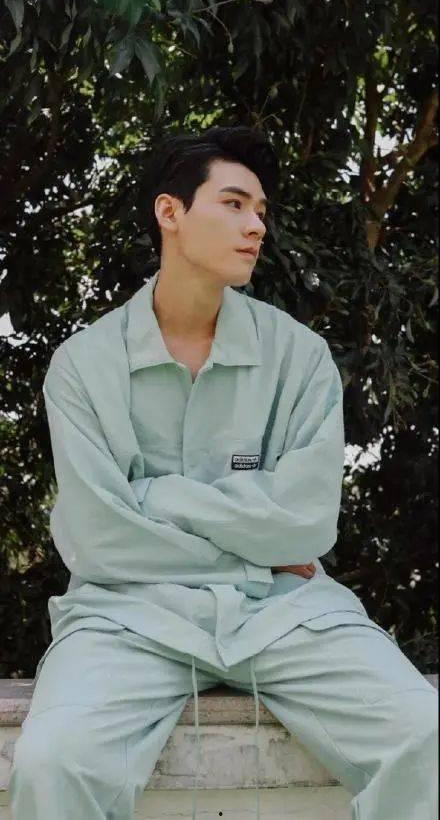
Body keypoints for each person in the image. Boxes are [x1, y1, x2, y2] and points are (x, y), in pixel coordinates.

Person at [10, 125, 438, 819]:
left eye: (260, 211)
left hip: (286, 612)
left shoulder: (299, 357)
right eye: (234, 204)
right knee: (53, 761)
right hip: (127, 618)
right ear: (170, 212)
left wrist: (157, 496)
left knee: (428, 736)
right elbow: (98, 541)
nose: (255, 226)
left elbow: (306, 525)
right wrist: (253, 551)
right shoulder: (84, 366)